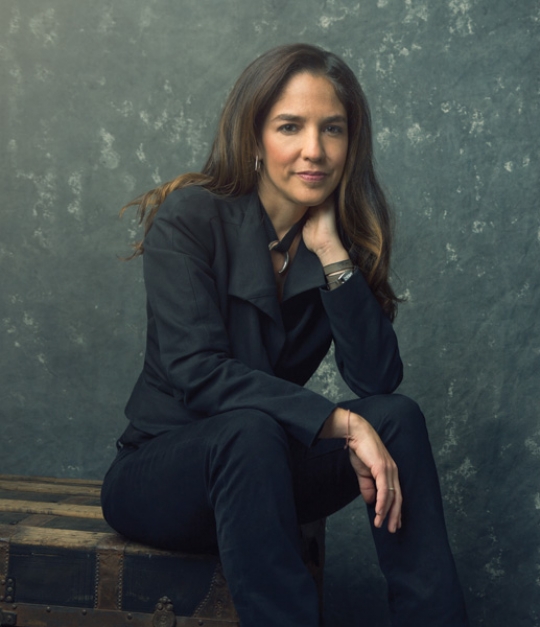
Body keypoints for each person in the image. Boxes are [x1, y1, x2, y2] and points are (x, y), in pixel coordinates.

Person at [101, 43, 469, 626]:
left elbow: (377, 378)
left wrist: (331, 252)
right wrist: (341, 423)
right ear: (254, 137)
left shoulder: (334, 244)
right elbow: (198, 373)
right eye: (290, 127)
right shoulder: (191, 218)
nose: (314, 150)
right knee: (248, 430)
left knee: (395, 417)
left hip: (267, 474)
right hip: (165, 477)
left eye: (333, 129)